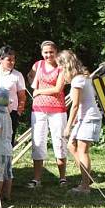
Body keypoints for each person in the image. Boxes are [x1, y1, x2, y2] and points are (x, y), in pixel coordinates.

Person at [57, 50, 102, 193]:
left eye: (61, 67)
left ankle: (85, 186)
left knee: (83, 151)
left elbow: (75, 105)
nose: (60, 71)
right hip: (84, 118)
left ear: (66, 65)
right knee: (71, 146)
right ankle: (86, 177)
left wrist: (68, 127)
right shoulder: (83, 78)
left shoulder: (78, 80)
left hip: (90, 118)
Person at [28, 41, 68, 188]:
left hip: (57, 109)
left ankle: (62, 177)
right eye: (46, 52)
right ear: (42, 53)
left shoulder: (62, 67)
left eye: (51, 52)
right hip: (38, 109)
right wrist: (33, 82)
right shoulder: (38, 65)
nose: (48, 55)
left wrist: (39, 91)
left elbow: (58, 88)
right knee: (38, 142)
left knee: (59, 141)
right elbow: (30, 76)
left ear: (56, 52)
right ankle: (37, 179)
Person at [0, 46, 27, 145]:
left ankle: (7, 160)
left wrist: (18, 112)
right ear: (0, 59)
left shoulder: (17, 75)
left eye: (14, 59)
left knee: (8, 140)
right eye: (9, 60)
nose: (12, 62)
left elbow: (22, 96)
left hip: (11, 113)